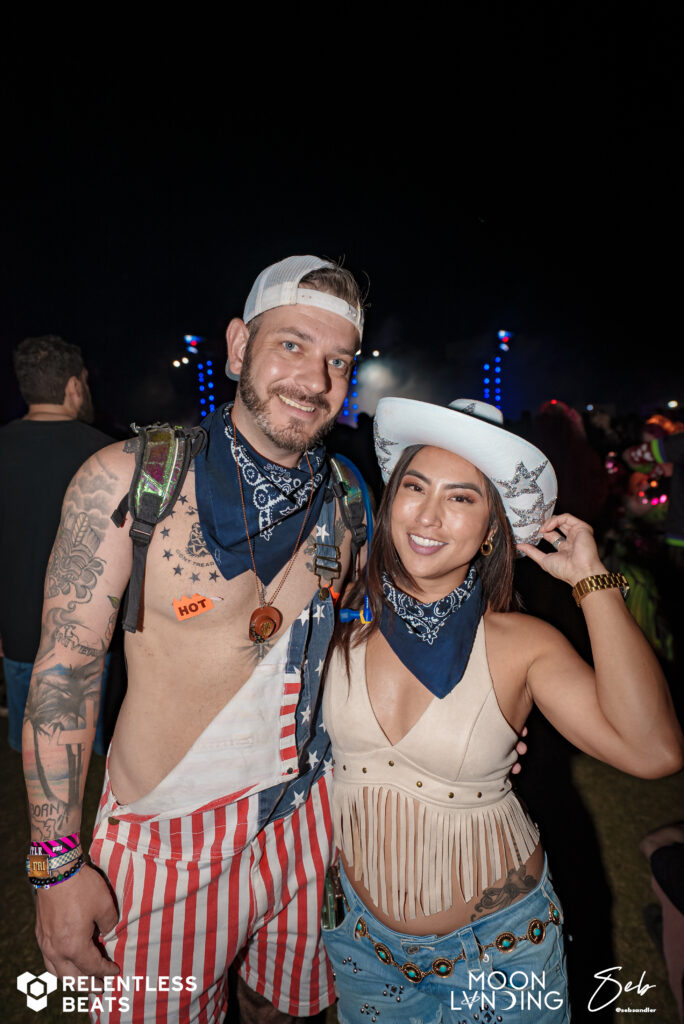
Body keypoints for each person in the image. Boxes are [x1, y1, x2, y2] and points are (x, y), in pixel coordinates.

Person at [22, 257, 368, 1024]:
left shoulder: (347, 498)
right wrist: (54, 867)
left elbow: (363, 644)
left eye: (338, 361)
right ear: (239, 346)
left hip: (304, 825)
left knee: (286, 1009)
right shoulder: (127, 478)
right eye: (292, 345)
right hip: (166, 844)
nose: (316, 379)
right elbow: (64, 672)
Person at [321, 397, 684, 1024]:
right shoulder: (337, 618)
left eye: (461, 498)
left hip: (497, 951)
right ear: (390, 499)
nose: (428, 515)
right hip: (360, 944)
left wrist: (591, 581)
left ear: (493, 529)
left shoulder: (524, 644)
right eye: (415, 487)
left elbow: (652, 751)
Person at [0, 335, 112, 753]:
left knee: (32, 751)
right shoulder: (108, 455)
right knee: (82, 754)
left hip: (17, 634)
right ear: (73, 386)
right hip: (88, 634)